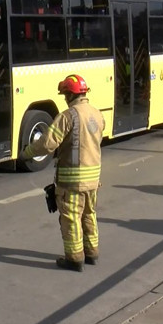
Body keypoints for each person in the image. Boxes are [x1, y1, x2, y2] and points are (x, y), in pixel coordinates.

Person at [20, 75, 105, 272]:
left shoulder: (68, 116)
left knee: (71, 218)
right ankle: (92, 253)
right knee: (89, 214)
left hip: (72, 181)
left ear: (70, 95)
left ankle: (74, 259)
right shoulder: (97, 114)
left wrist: (27, 153)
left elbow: (48, 143)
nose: (65, 98)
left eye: (65, 94)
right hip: (93, 179)